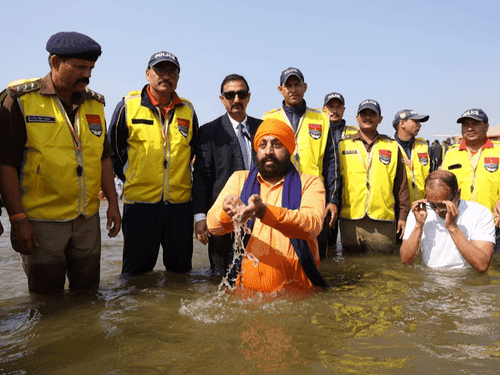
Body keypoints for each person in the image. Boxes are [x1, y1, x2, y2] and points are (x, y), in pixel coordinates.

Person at [0, 31, 121, 294]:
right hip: (41, 222)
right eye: (79, 67)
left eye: (90, 68)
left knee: (89, 295)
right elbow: (5, 164)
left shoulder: (95, 103)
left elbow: (103, 158)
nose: (87, 75)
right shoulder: (19, 99)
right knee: (47, 303)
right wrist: (18, 219)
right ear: (55, 62)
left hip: (86, 220)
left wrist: (113, 204)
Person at [206, 118, 327, 293]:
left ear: (289, 149)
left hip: (298, 296)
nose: (268, 151)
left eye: (276, 145)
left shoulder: (309, 183)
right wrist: (228, 212)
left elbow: (312, 225)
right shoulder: (240, 179)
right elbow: (213, 226)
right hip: (246, 295)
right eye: (262, 145)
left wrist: (264, 212)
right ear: (256, 150)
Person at [108, 51, 198, 275]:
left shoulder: (188, 110)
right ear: (148, 74)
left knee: (180, 275)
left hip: (179, 207)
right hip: (140, 206)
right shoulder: (127, 107)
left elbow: (194, 151)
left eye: (172, 72)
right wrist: (132, 176)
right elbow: (113, 153)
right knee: (135, 278)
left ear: (178, 78)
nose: (166, 76)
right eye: (160, 70)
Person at [263, 68, 339, 260]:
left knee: (316, 250)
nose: (293, 89)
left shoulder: (322, 118)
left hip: (313, 194)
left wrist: (333, 200)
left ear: (305, 87)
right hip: (280, 192)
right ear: (280, 89)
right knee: (281, 248)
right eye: (288, 85)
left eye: (297, 85)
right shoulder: (269, 118)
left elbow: (331, 162)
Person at [193, 74, 262, 276]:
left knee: (258, 276)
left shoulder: (262, 128)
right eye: (230, 95)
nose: (236, 100)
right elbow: (201, 177)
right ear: (222, 99)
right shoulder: (208, 132)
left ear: (248, 97)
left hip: (257, 217)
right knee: (221, 279)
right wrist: (200, 216)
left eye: (241, 94)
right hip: (223, 217)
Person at [338, 99, 409, 254]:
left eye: (372, 114)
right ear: (357, 118)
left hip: (382, 222)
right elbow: (337, 182)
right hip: (350, 220)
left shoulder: (392, 146)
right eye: (364, 114)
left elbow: (401, 185)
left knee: (382, 269)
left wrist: (403, 216)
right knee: (350, 268)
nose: (368, 117)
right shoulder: (343, 144)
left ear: (380, 119)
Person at [400, 170, 494, 272]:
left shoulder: (480, 213)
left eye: (443, 205)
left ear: (457, 194)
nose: (437, 210)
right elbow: (405, 260)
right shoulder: (419, 211)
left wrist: (453, 227)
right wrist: (418, 225)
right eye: (432, 204)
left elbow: (482, 265)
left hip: (465, 281)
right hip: (429, 280)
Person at [441, 108, 500, 252]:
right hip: (460, 222)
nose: (469, 128)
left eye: (475, 124)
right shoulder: (451, 153)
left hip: (493, 222)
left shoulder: (498, 151)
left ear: (486, 127)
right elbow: (441, 185)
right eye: (465, 124)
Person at [393, 109, 438, 202]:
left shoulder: (425, 148)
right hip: (397, 209)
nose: (419, 125)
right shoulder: (388, 147)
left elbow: (434, 178)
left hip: (424, 207)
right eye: (415, 121)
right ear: (402, 124)